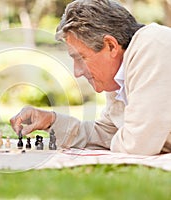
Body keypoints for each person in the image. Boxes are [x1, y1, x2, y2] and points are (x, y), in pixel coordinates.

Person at [10, 0, 171, 155]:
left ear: (111, 46)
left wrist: (126, 138)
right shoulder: (119, 74)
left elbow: (136, 146)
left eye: (80, 58)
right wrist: (51, 120)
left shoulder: (152, 46)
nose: (77, 72)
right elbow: (106, 134)